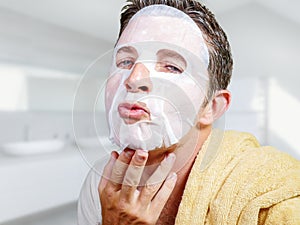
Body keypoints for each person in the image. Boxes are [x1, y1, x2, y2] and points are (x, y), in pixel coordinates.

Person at [78, 0, 300, 224]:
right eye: (125, 61)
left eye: (172, 66)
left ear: (211, 107)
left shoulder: (276, 201)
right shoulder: (101, 186)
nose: (134, 79)